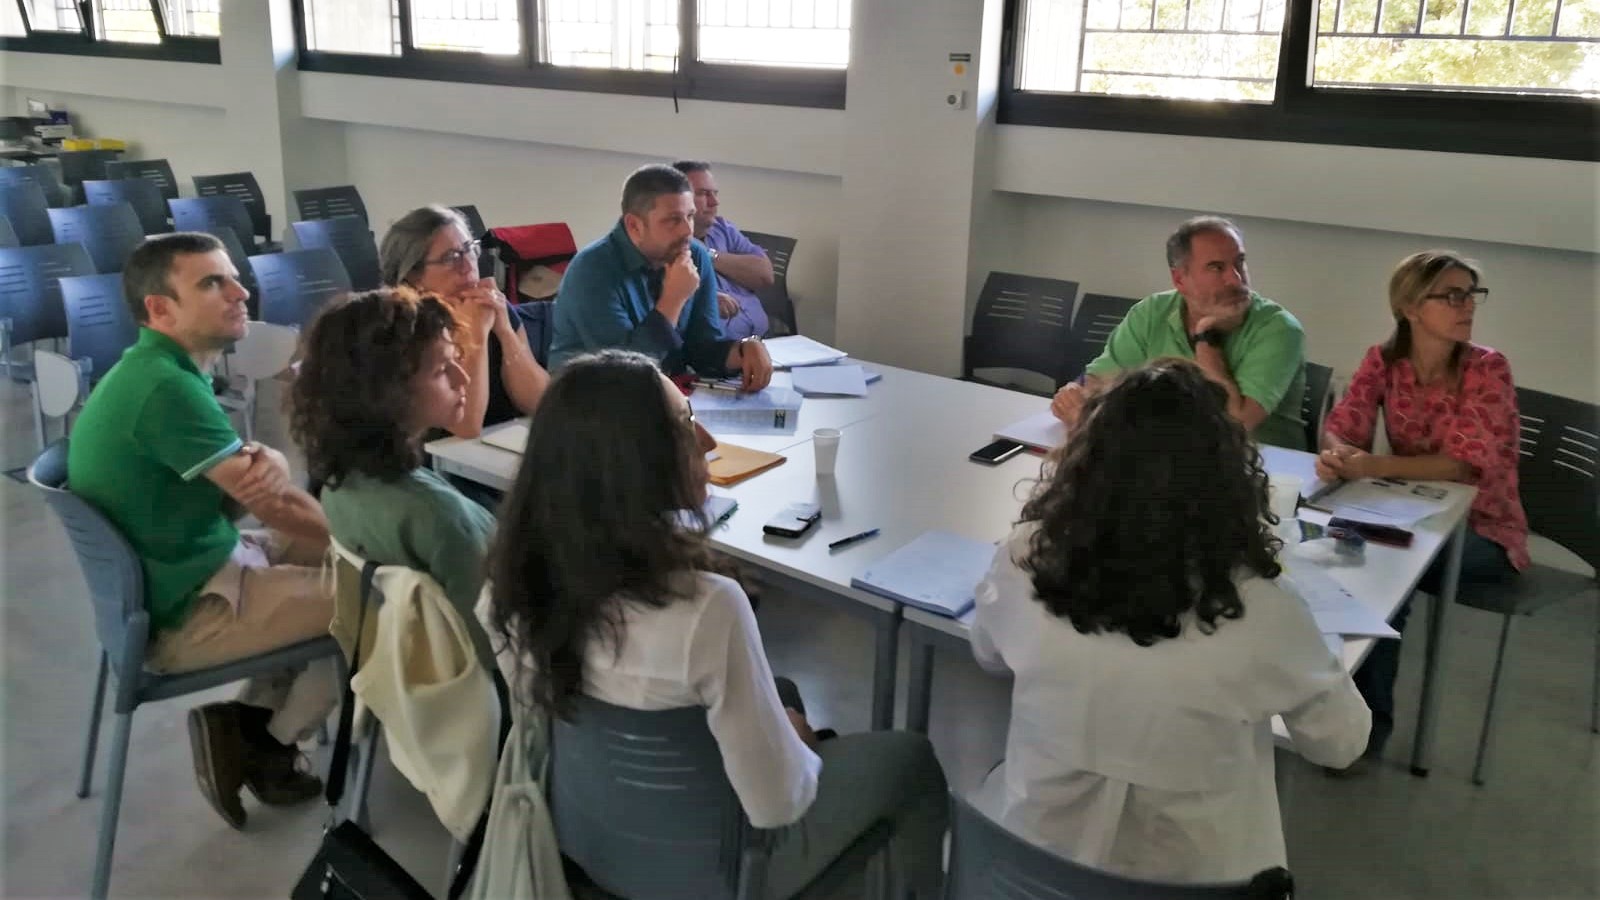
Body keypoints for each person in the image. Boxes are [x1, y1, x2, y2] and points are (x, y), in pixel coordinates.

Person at [483, 350, 946, 898]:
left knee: (782, 690)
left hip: (587, 838)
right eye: (685, 422)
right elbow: (780, 803)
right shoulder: (709, 607)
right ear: (635, 463)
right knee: (910, 760)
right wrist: (798, 745)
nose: (706, 440)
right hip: (728, 866)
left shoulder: (507, 589)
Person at [973, 358, 1369, 883]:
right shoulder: (1261, 606)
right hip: (1198, 882)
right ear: (1226, 479)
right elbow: (1340, 744)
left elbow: (988, 653)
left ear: (1087, 465)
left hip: (1035, 873)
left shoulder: (1028, 557)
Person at [66, 232, 336, 829]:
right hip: (186, 611)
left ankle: (243, 729)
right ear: (159, 309)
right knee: (383, 597)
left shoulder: (156, 370)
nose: (242, 291)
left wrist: (279, 470)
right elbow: (276, 506)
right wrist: (353, 549)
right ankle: (267, 742)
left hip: (188, 568)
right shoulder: (165, 388)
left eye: (235, 276)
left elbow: (257, 482)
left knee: (344, 561)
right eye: (213, 283)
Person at [1318, 250, 1527, 760]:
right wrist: (1337, 453)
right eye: (1451, 295)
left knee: (1386, 576)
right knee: (1342, 556)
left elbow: (1461, 464)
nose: (1466, 306)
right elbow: (1345, 425)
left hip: (1485, 532)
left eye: (1471, 294)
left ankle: (1368, 730)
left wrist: (1370, 467)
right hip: (1413, 515)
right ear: (1410, 307)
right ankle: (1329, 714)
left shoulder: (1487, 367)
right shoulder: (1384, 361)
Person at [288, 288, 497, 668]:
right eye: (440, 370)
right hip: (481, 698)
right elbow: (496, 648)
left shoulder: (338, 484)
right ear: (386, 392)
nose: (462, 376)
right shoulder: (441, 518)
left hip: (404, 675)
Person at [1050, 216, 1308, 449]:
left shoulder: (1279, 328)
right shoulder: (1152, 312)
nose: (1236, 279)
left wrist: (1206, 337)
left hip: (1261, 469)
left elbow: (1234, 426)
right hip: (1167, 455)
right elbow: (1098, 380)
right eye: (1217, 268)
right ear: (1179, 280)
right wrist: (1075, 395)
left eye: (1239, 262)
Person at [547, 164, 773, 391]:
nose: (687, 231)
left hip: (662, 392)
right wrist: (673, 300)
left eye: (690, 216)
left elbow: (703, 350)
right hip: (588, 399)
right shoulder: (592, 270)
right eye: (674, 220)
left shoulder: (695, 255)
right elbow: (623, 373)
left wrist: (743, 350)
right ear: (634, 225)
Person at [379, 204, 549, 437]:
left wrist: (505, 332)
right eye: (450, 257)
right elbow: (464, 426)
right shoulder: (406, 327)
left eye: (469, 249)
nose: (468, 265)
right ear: (413, 275)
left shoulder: (490, 305)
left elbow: (540, 403)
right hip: (437, 460)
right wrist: (477, 334)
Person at [672, 159, 774, 340]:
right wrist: (704, 299)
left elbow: (764, 275)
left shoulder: (723, 229)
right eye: (703, 194)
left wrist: (709, 255)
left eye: (715, 193)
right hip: (714, 356)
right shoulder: (665, 243)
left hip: (766, 344)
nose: (714, 202)